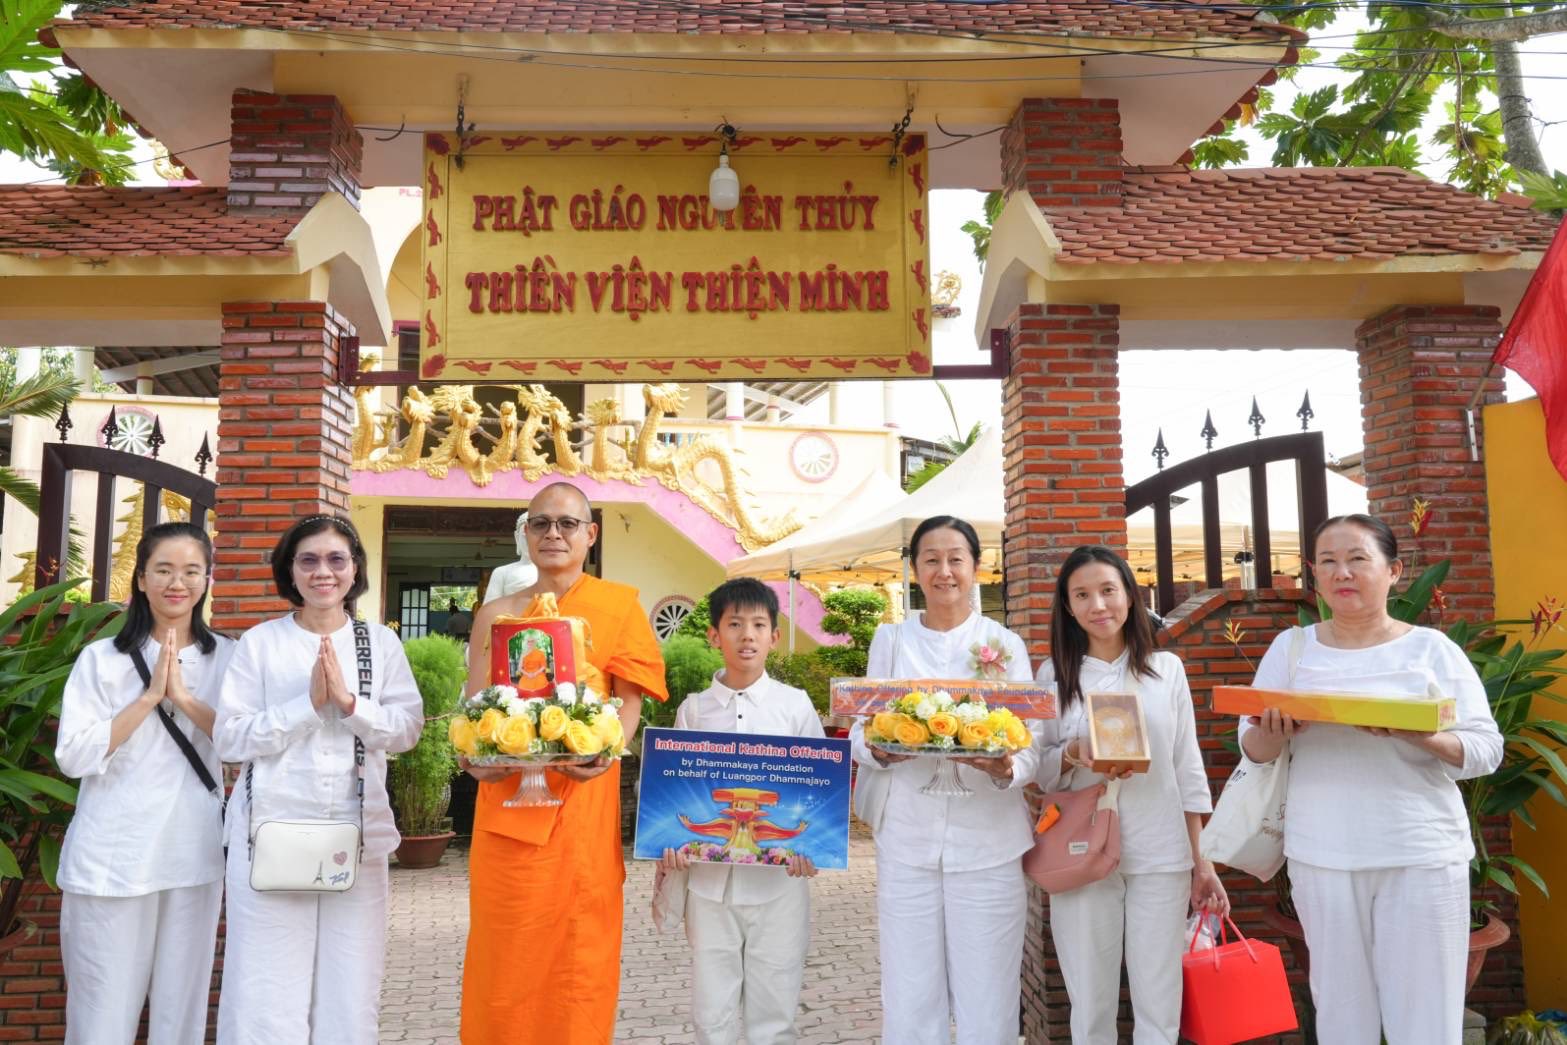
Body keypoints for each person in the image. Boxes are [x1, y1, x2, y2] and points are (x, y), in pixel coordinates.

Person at [1240, 514, 1502, 1045]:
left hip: (1421, 853)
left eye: (1358, 559)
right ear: (1314, 575)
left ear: (1393, 571)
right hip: (1323, 854)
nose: (1343, 573)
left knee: (1426, 1015)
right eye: (1329, 562)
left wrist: (1416, 732)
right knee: (1340, 1012)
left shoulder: (1431, 650)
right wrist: (1274, 730)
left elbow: (1484, 750)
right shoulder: (1292, 650)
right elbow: (1253, 746)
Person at [460, 482, 668, 1044]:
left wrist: (607, 751)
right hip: (507, 807)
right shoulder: (496, 614)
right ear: (525, 534)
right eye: (542, 523)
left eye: (568, 524)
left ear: (590, 535)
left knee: (580, 959)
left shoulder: (618, 605)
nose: (554, 534)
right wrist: (476, 758)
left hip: (582, 804)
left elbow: (630, 701)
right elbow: (475, 709)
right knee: (504, 959)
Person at [214, 515, 422, 1044]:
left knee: (350, 991)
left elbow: (406, 730)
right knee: (266, 991)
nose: (322, 572)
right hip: (271, 834)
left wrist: (351, 705)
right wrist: (304, 707)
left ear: (355, 570)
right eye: (308, 559)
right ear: (289, 570)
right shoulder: (260, 644)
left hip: (356, 838)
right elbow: (230, 740)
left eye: (336, 559)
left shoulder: (379, 643)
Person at [847, 515, 1038, 1045]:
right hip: (906, 838)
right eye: (931, 559)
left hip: (990, 842)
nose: (944, 571)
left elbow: (1033, 740)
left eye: (956, 558)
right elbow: (862, 730)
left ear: (978, 567)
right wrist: (880, 751)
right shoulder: (891, 639)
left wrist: (1008, 767)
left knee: (989, 993)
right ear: (914, 569)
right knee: (909, 992)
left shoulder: (1005, 645)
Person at [1033, 545, 1227, 1045]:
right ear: (1068, 606)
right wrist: (1075, 752)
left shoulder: (1167, 671)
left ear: (1129, 596)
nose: (1098, 605)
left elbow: (1188, 767)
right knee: (1091, 1002)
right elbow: (1035, 768)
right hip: (1082, 852)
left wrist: (1201, 861)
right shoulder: (1054, 676)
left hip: (1160, 851)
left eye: (1107, 591)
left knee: (1159, 1000)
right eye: (1082, 595)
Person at [54, 522, 235, 1045]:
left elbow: (242, 745)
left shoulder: (228, 657)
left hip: (192, 853)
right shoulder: (101, 660)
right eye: (163, 570)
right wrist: (148, 698)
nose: (176, 582)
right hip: (112, 856)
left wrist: (183, 697)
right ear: (140, 579)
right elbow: (74, 756)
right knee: (101, 1007)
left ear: (206, 581)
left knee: (181, 1009)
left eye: (190, 571)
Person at [657, 577, 823, 1045]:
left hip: (780, 885)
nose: (746, 635)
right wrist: (672, 845)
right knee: (711, 1015)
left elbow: (816, 796)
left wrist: (813, 848)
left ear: (774, 634)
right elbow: (677, 795)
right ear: (714, 635)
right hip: (710, 890)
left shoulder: (795, 707)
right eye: (734, 624)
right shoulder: (693, 711)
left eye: (758, 624)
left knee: (775, 1015)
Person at [482, 512, 539, 605]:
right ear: (517, 537)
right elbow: (488, 610)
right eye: (525, 536)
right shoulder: (502, 572)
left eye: (534, 536)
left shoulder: (553, 572)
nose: (529, 541)